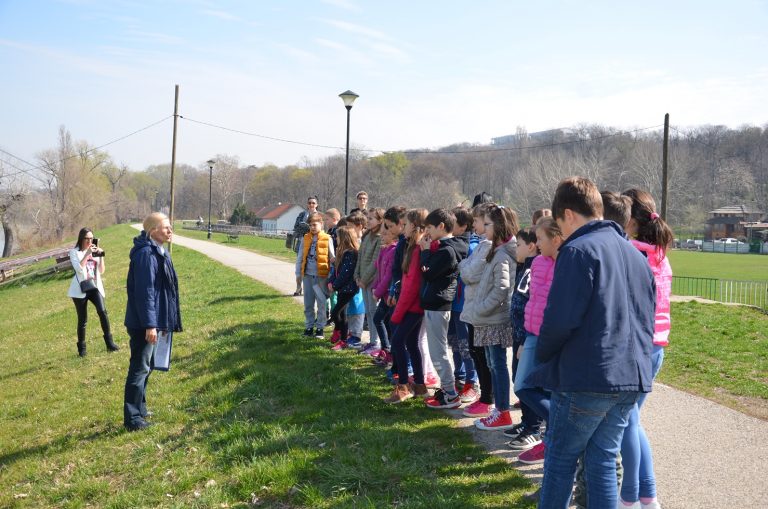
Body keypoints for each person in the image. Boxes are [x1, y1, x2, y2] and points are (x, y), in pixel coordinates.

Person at [529, 177, 655, 508]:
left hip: (589, 376)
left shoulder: (578, 250)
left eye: (559, 224)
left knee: (559, 461)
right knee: (600, 462)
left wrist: (542, 355)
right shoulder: (635, 254)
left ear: (568, 214)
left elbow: (559, 319)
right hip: (631, 378)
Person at [616, 188, 674, 509]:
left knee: (627, 422)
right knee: (632, 421)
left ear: (632, 220)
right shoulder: (658, 254)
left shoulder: (632, 253)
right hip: (655, 347)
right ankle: (647, 496)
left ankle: (630, 498)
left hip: (637, 347)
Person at [123, 212, 182, 432]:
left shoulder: (159, 252)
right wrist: (150, 324)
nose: (170, 231)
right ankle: (133, 418)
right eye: (165, 227)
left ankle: (141, 409)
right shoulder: (146, 255)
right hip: (143, 323)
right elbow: (145, 293)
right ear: (152, 231)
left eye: (170, 227)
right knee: (139, 368)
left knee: (146, 368)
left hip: (152, 320)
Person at [514, 217, 563, 461]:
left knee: (549, 390)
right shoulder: (536, 263)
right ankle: (560, 427)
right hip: (532, 333)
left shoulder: (566, 263)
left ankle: (551, 439)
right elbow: (530, 300)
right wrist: (524, 339)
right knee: (522, 385)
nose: (538, 243)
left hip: (553, 338)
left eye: (541, 238)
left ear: (556, 239)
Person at [469, 204, 518, 430]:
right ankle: (499, 410)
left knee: (497, 364)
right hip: (488, 318)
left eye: (487, 224)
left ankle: (503, 411)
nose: (483, 228)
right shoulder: (497, 250)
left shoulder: (504, 254)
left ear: (499, 225)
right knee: (491, 362)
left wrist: (482, 308)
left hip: (495, 319)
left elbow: (502, 289)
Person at [419, 208, 469, 410]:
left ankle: (450, 394)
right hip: (434, 304)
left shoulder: (447, 251)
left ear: (441, 226)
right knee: (437, 350)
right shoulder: (443, 247)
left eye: (430, 227)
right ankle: (447, 389)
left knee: (438, 352)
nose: (427, 232)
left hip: (439, 305)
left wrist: (424, 252)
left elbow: (428, 273)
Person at [504, 227, 544, 451]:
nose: (514, 248)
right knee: (517, 379)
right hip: (520, 334)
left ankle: (534, 428)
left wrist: (525, 339)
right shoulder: (525, 267)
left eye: (518, 244)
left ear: (531, 246)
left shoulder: (535, 268)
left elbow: (532, 304)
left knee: (525, 384)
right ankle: (527, 422)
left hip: (527, 336)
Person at [385, 208, 429, 404]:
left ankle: (403, 386)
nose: (403, 228)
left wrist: (397, 314)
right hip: (413, 305)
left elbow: (411, 287)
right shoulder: (412, 246)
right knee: (411, 343)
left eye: (407, 225)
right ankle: (419, 385)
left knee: (397, 341)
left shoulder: (418, 249)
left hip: (413, 306)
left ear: (416, 226)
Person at [458, 202, 495, 418]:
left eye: (478, 221)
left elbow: (469, 273)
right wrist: (465, 267)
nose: (474, 224)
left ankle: (488, 399)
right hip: (472, 306)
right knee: (475, 351)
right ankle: (484, 397)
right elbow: (466, 267)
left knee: (482, 355)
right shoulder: (481, 244)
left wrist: (464, 267)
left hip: (479, 307)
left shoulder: (489, 246)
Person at [68, 228, 119, 357]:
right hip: (80, 289)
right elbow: (79, 269)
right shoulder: (74, 252)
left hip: (95, 286)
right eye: (87, 239)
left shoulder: (95, 250)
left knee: (102, 312)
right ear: (81, 239)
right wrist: (87, 254)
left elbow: (101, 271)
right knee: (83, 320)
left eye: (92, 238)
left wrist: (101, 256)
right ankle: (82, 349)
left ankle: (110, 343)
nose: (90, 241)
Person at [448, 206, 480, 405]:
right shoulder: (454, 242)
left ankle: (472, 382)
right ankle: (458, 376)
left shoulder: (472, 247)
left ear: (463, 225)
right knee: (454, 342)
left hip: (464, 303)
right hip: (453, 302)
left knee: (466, 345)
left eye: (453, 223)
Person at [299, 212, 334, 339]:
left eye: (315, 224)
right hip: (308, 275)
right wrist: (298, 273)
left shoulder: (327, 238)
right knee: (308, 303)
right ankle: (309, 327)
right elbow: (300, 257)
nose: (312, 227)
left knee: (321, 303)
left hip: (321, 277)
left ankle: (320, 327)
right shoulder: (306, 238)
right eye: (310, 225)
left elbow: (332, 257)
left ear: (321, 224)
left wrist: (332, 275)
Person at [355, 208, 385, 354]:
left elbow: (375, 262)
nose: (368, 220)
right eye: (368, 217)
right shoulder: (367, 235)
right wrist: (357, 275)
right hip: (363, 280)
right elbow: (360, 257)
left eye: (372, 218)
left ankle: (376, 342)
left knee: (374, 311)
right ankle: (372, 341)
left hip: (372, 281)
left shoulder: (380, 238)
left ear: (380, 221)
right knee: (368, 311)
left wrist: (365, 279)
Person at [327, 226, 359, 349]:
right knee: (341, 313)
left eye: (338, 236)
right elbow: (336, 270)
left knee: (335, 313)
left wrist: (335, 286)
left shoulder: (351, 254)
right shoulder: (342, 252)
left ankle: (342, 337)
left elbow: (345, 274)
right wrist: (331, 281)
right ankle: (341, 335)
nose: (336, 238)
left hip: (348, 288)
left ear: (345, 238)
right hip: (342, 288)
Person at [369, 225, 397, 360]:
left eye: (385, 234)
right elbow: (378, 273)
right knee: (383, 320)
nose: (382, 236)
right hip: (382, 293)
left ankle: (387, 349)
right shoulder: (383, 250)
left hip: (388, 295)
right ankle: (387, 349)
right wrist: (374, 286)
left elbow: (388, 276)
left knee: (378, 319)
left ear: (394, 236)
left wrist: (378, 292)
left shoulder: (394, 251)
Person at [292, 196, 319, 296]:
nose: (311, 205)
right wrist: (301, 229)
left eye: (313, 203)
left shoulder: (320, 216)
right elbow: (295, 228)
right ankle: (298, 288)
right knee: (299, 265)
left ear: (317, 204)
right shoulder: (302, 214)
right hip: (302, 242)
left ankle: (313, 289)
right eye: (309, 203)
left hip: (315, 244)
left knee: (312, 267)